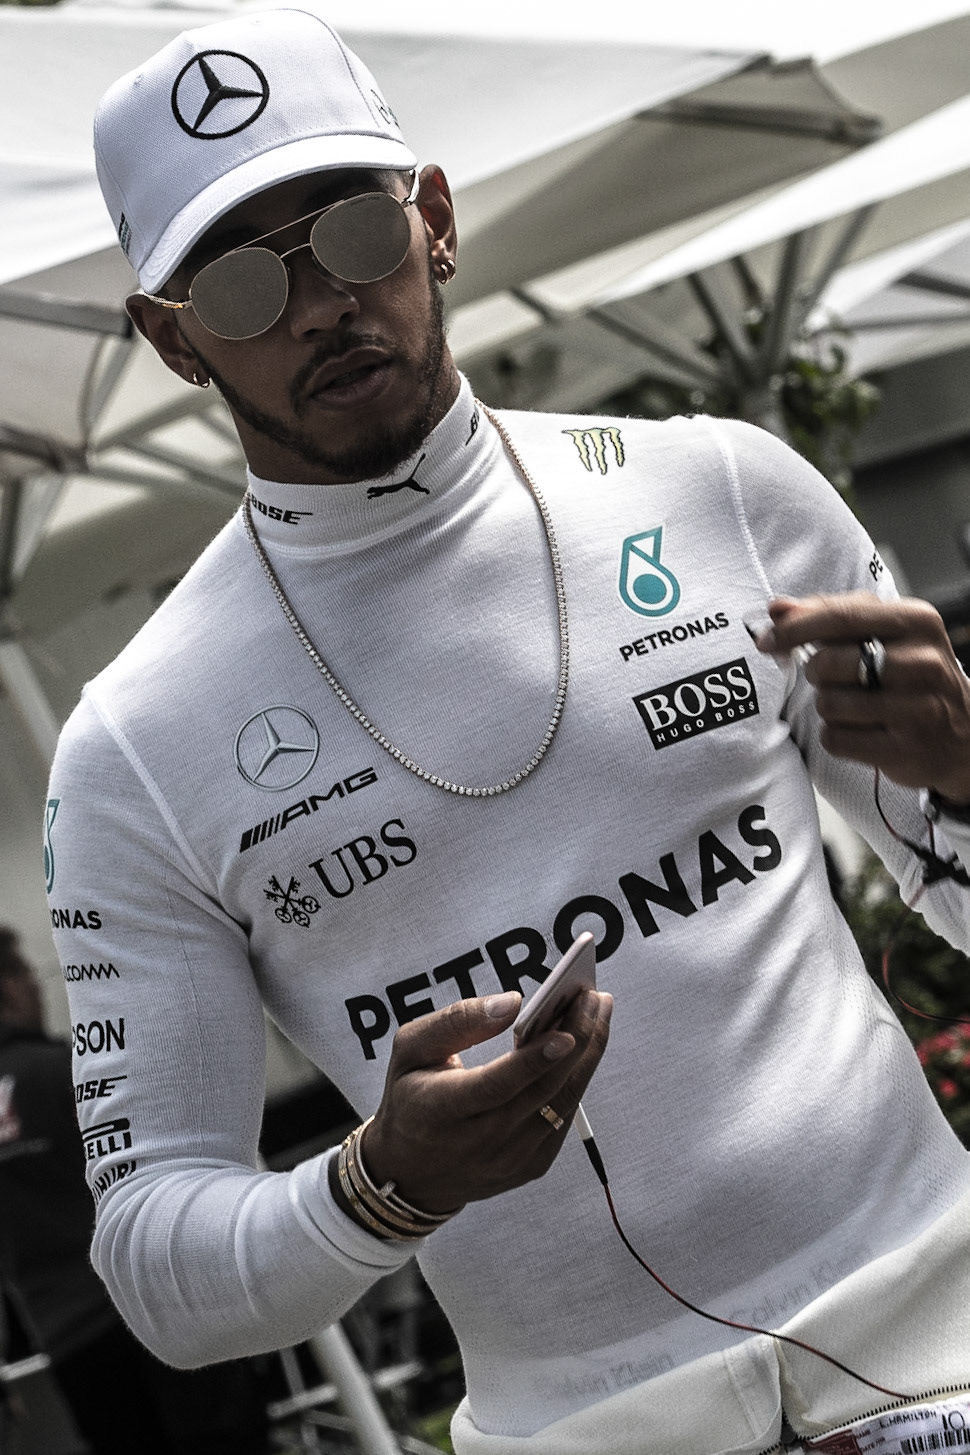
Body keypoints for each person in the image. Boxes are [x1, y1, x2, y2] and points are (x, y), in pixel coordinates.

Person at [46, 8, 970, 1453]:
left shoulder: (723, 492)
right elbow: (154, 1258)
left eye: (347, 233)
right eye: (236, 284)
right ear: (170, 341)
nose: (314, 307)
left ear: (433, 221)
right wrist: (375, 1185)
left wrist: (966, 781)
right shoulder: (134, 748)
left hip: (943, 1345)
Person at [0, 928, 268, 1453]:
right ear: (8, 988)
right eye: (31, 976)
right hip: (161, 1311)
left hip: (71, 1344)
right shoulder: (73, 1072)